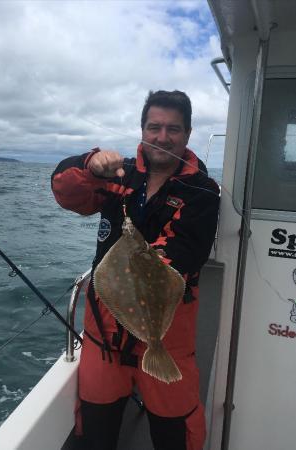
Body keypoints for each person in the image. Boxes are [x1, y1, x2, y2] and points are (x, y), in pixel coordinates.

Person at [51, 90, 220, 450]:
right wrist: (89, 164)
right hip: (104, 332)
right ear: (142, 130)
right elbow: (67, 193)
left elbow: (183, 255)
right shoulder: (118, 174)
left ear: (187, 134)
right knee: (95, 431)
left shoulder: (202, 191)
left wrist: (134, 248)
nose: (162, 136)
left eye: (173, 129)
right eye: (154, 126)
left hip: (166, 335)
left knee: (176, 433)